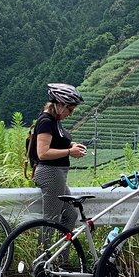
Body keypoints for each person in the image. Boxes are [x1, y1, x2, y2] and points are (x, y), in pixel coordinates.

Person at [34, 83, 87, 231]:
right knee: (51, 221)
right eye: (69, 109)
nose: (70, 114)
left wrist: (71, 146)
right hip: (50, 173)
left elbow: (57, 143)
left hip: (57, 174)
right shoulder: (46, 121)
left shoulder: (55, 122)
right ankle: (44, 253)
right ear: (60, 104)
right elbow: (43, 153)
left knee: (70, 216)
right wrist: (70, 152)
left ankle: (61, 254)